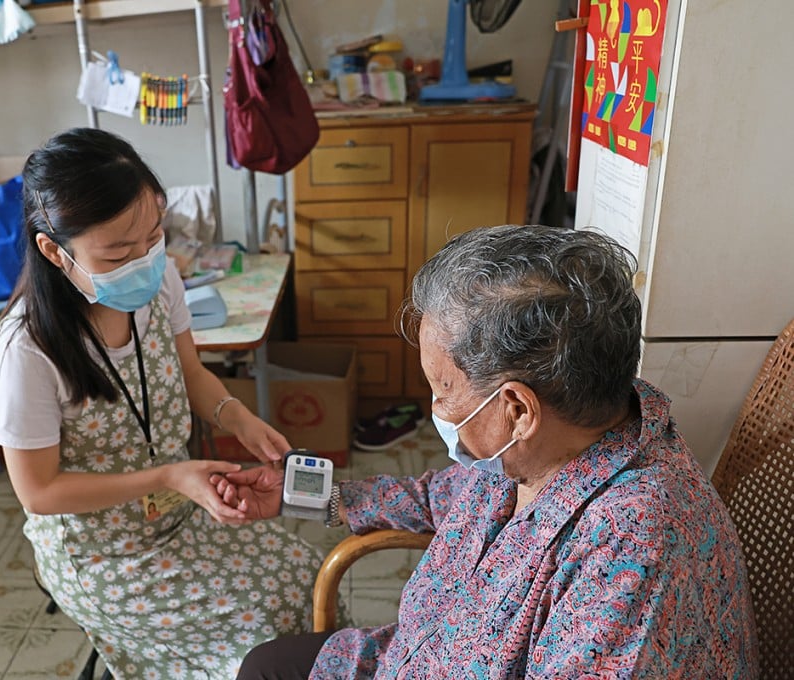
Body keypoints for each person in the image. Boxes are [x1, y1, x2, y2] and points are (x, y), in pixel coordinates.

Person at [218, 225, 758, 679]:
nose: (434, 407)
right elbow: (438, 496)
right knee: (266, 666)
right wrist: (320, 498)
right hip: (409, 657)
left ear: (518, 409)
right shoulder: (543, 443)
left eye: (443, 388)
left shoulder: (633, 542)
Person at [0, 127, 324, 679]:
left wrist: (236, 415)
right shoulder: (26, 352)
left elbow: (192, 372)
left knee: (309, 580)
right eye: (118, 250)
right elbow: (39, 492)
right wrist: (168, 477)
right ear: (54, 250)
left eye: (152, 235)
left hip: (180, 514)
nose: (144, 258)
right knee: (261, 630)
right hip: (103, 556)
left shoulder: (160, 280)